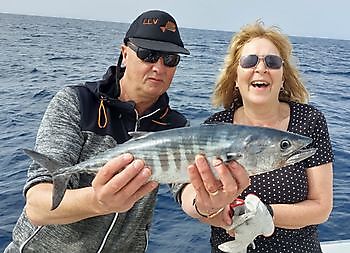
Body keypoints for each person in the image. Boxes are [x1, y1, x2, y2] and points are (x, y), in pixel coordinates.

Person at [5, 9, 222, 253]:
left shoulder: (176, 126)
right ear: (125, 53)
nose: (159, 67)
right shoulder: (78, 102)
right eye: (148, 55)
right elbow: (37, 206)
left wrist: (208, 203)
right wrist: (98, 202)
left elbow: (186, 189)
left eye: (170, 59)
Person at [175, 21, 334, 253]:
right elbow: (192, 194)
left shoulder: (309, 122)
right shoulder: (214, 126)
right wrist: (209, 211)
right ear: (235, 78)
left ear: (283, 77)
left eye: (272, 61)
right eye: (250, 61)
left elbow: (321, 207)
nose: (261, 68)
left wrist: (266, 214)